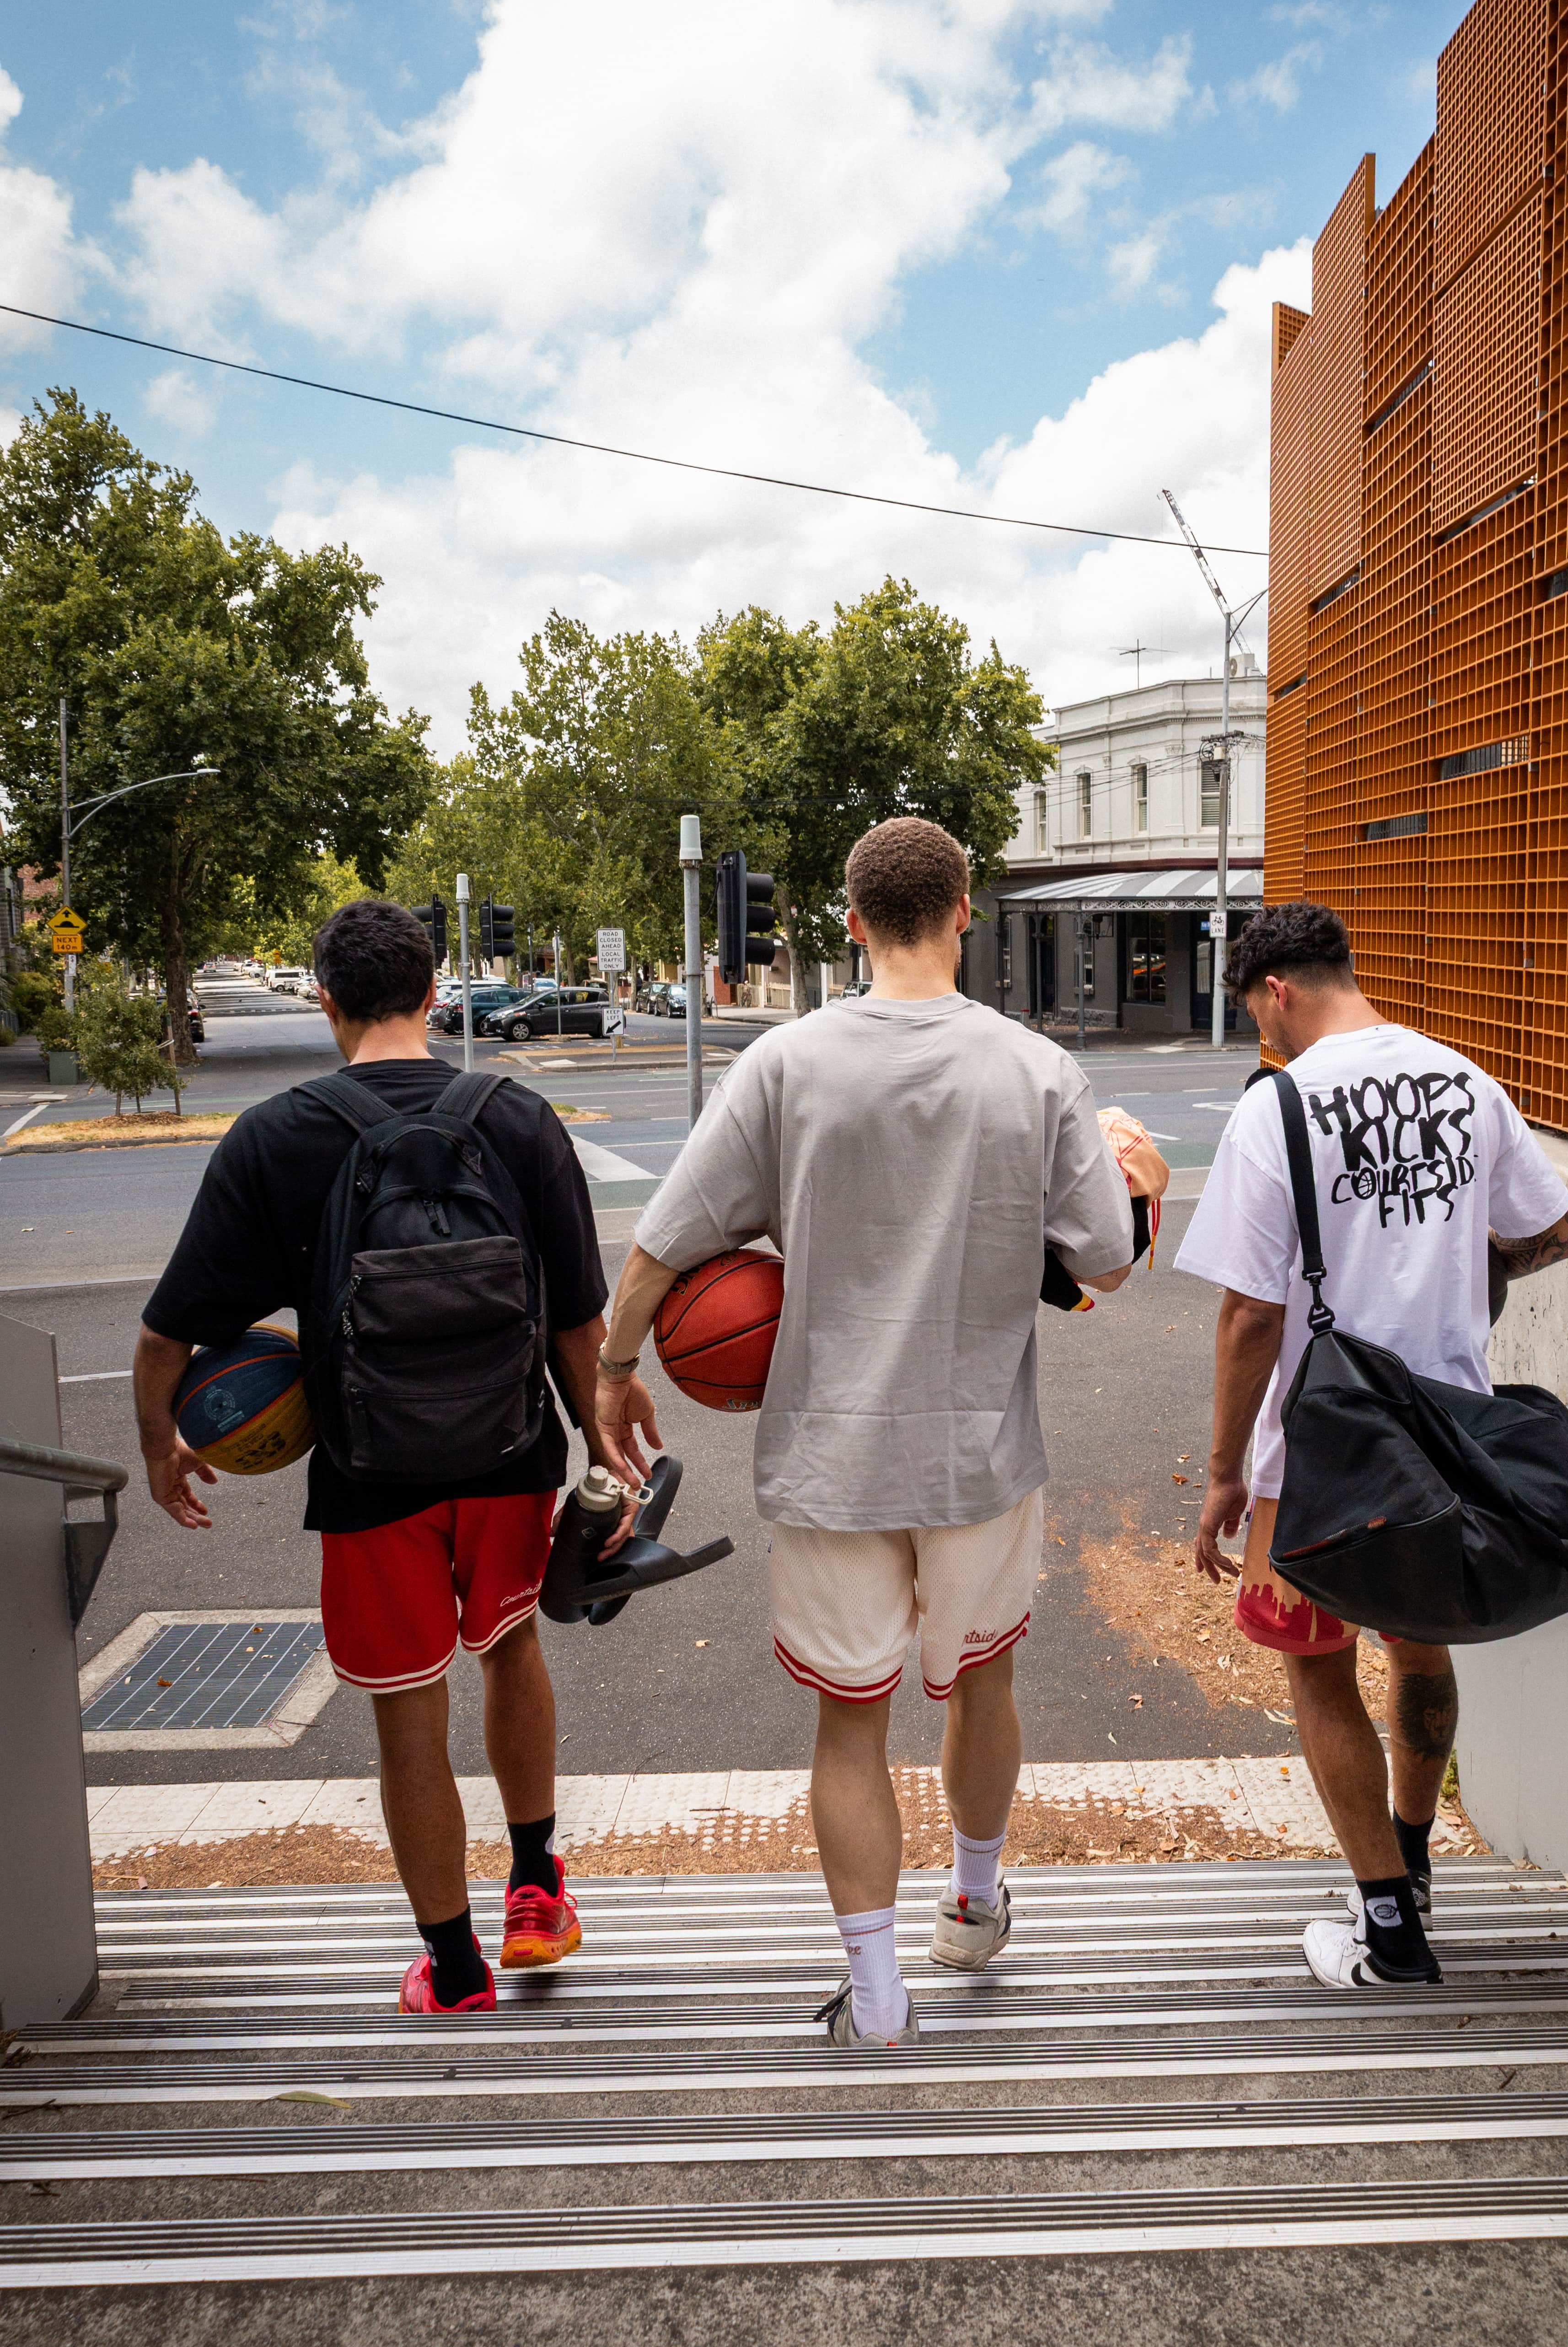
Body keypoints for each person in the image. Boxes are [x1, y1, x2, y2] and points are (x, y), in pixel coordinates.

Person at [594, 817, 1134, 2046]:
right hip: (980, 1454)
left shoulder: (784, 1067)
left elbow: (661, 1247)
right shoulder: (1038, 1071)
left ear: (849, 923)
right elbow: (1107, 1256)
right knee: (983, 1682)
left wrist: (619, 1369)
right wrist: (1131, 1172)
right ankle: (977, 1900)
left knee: (851, 1718)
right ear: (961, 915)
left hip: (829, 1458)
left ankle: (880, 1998)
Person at [133, 898, 650, 2014]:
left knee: (406, 1715)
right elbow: (575, 1323)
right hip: (511, 1455)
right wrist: (603, 1436)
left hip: (370, 1482)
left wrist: (160, 1449)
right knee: (512, 1655)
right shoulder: (517, 1119)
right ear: (431, 990)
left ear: (325, 1002)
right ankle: (535, 1893)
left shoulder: (275, 1137)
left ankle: (455, 1973)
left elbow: (168, 1333)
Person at [1174, 902, 1568, 1990]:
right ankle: (1408, 1860)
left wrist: (1222, 1473)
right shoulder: (1465, 1081)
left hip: (1319, 1446)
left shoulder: (1278, 1107)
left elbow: (1250, 1315)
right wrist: (1455, 1281)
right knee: (1418, 1645)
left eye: (1265, 1020)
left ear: (1277, 994)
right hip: (1448, 1431)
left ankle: (1390, 1933)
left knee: (1316, 1669)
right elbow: (1553, 1232)